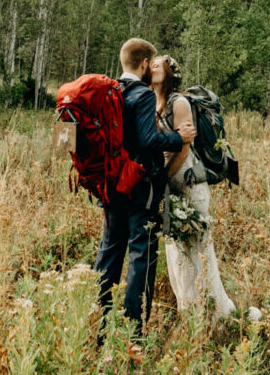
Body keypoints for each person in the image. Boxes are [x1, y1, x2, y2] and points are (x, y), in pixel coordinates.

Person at [94, 38, 197, 336]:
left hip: (110, 186)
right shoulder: (141, 94)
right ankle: (133, 332)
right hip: (139, 188)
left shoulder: (109, 90)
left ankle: (101, 325)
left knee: (109, 254)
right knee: (141, 256)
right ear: (142, 64)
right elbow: (147, 141)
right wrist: (180, 138)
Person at [151, 55, 261, 321]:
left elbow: (183, 148)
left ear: (170, 73)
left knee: (199, 249)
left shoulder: (179, 103)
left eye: (158, 65)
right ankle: (189, 311)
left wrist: (162, 177)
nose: (152, 67)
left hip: (189, 185)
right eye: (150, 64)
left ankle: (218, 315)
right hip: (171, 187)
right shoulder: (154, 102)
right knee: (176, 252)